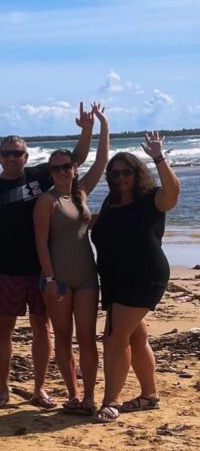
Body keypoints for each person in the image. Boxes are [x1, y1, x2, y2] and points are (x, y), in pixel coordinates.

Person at [0, 104, 95, 409]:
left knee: (42, 329)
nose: (12, 158)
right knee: (4, 329)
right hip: (7, 269)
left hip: (43, 270)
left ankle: (39, 389)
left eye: (17, 153)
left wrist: (86, 130)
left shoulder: (41, 176)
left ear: (26, 157)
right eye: (6, 154)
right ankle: (2, 389)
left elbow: (76, 159)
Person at [92, 132, 180, 423]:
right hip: (115, 279)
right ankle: (149, 395)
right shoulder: (110, 203)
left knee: (115, 339)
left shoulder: (149, 199)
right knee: (137, 336)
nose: (120, 178)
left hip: (143, 276)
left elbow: (173, 192)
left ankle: (110, 401)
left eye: (126, 172)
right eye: (115, 174)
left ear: (137, 172)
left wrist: (159, 157)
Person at [33, 104, 109, 415]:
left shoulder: (81, 194)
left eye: (67, 166)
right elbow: (40, 242)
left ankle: (90, 396)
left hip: (87, 277)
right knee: (63, 339)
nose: (63, 171)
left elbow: (102, 161)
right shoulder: (46, 200)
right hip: (59, 279)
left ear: (74, 168)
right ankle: (73, 394)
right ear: (50, 173)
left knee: (88, 338)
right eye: (56, 168)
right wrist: (50, 279)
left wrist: (100, 126)